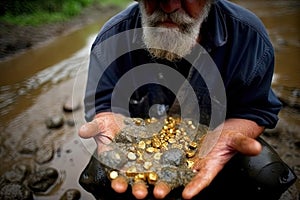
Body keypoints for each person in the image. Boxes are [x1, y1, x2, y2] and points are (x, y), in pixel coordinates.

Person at [78, 0, 296, 199]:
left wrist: (232, 133)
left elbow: (255, 110)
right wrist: (108, 118)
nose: (170, 6)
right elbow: (103, 104)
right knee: (98, 174)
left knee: (266, 173)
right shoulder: (111, 38)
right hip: (139, 142)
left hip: (216, 139)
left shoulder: (249, 37)